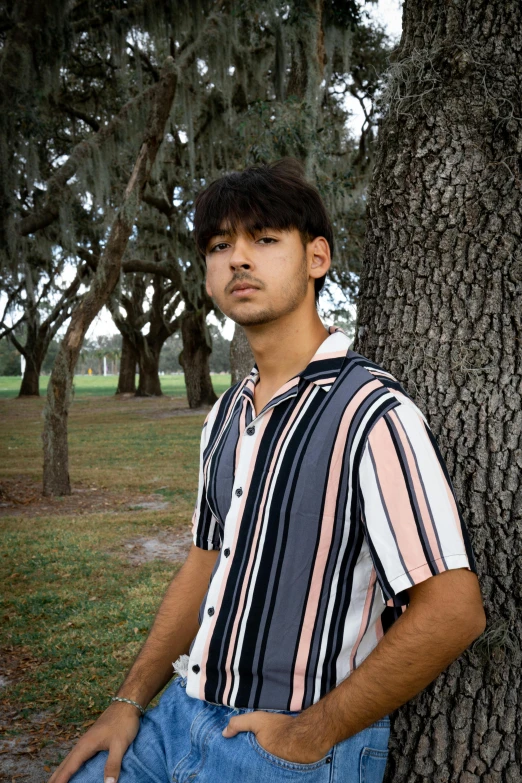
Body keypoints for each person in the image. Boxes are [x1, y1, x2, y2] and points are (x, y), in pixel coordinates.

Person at [49, 158, 486, 783]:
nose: (239, 259)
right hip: (175, 721)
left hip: (284, 746)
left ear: (317, 258)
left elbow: (454, 610)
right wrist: (127, 703)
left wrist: (312, 733)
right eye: (221, 245)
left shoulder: (370, 412)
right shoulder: (227, 414)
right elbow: (204, 562)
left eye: (265, 239)